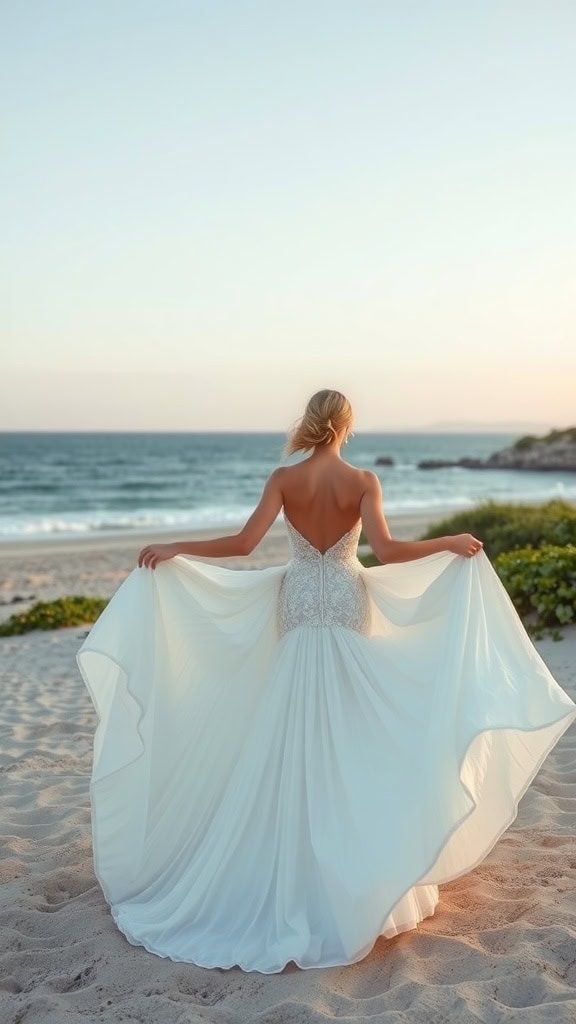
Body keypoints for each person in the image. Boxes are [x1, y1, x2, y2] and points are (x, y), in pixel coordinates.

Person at [77, 389, 576, 974]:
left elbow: (241, 545)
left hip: (296, 606)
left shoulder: (285, 479)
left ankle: (291, 860)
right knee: (348, 733)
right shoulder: (363, 480)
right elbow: (386, 551)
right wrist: (448, 543)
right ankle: (356, 869)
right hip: (345, 599)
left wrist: (175, 548)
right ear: (346, 425)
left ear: (310, 424)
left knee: (291, 728)